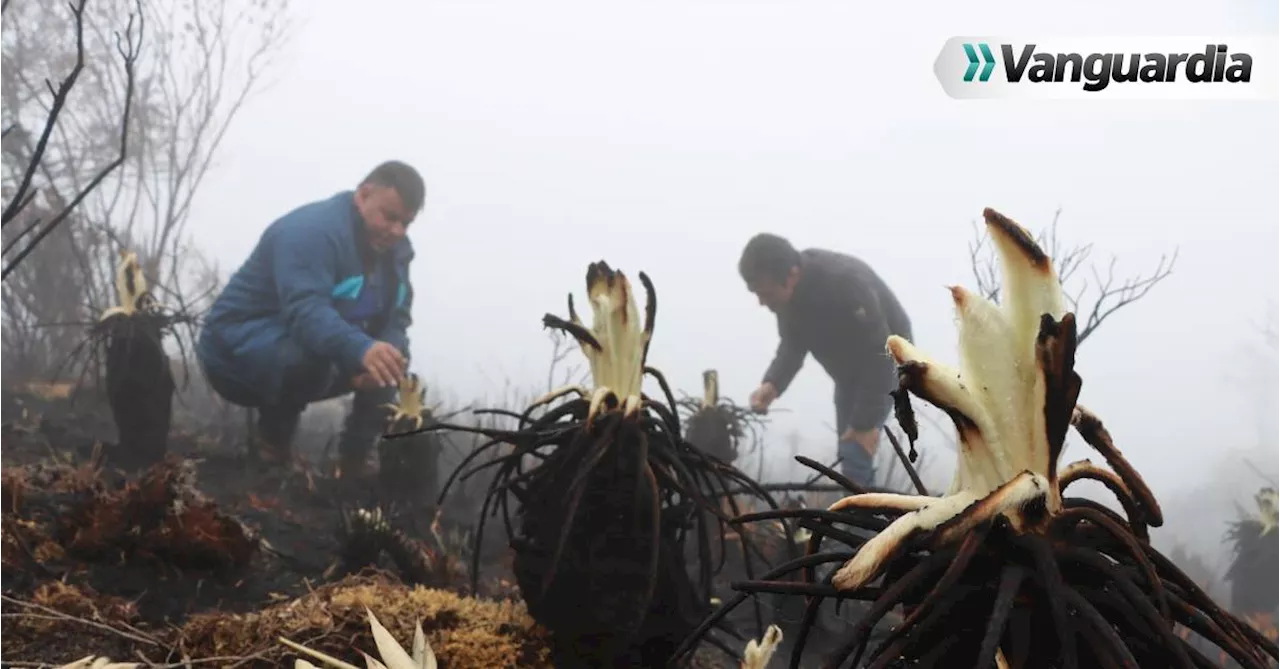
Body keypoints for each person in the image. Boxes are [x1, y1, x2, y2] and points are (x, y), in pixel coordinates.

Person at [196, 160, 424, 476]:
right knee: (310, 356)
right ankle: (272, 451)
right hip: (233, 352)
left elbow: (397, 318)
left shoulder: (395, 251)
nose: (397, 231)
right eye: (390, 217)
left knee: (391, 360)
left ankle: (352, 465)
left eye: (406, 223)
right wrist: (360, 351)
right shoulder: (310, 231)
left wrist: (381, 355)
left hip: (311, 345)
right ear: (363, 194)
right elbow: (305, 312)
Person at [739, 233, 912, 488]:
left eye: (765, 293)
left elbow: (881, 352)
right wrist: (772, 384)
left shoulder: (844, 283)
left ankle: (866, 525)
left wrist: (865, 425)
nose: (762, 302)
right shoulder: (787, 302)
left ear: (792, 275)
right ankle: (867, 518)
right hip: (849, 375)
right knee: (849, 457)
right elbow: (792, 345)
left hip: (889, 363)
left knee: (855, 449)